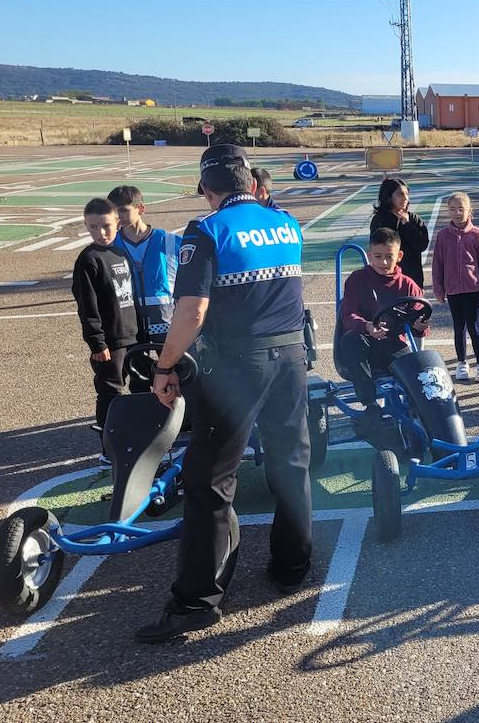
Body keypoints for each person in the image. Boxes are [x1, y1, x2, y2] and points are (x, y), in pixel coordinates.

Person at [138, 144, 311, 643]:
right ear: (251, 183)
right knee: (291, 461)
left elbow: (191, 312)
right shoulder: (286, 224)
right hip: (291, 357)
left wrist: (164, 365)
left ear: (207, 189)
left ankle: (196, 602)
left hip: (239, 363)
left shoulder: (207, 229)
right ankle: (292, 564)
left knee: (209, 479)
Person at [71, 197, 142, 460]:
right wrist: (96, 343)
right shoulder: (88, 260)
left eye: (106, 226)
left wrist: (140, 331)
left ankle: (136, 439)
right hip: (109, 343)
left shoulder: (121, 253)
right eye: (93, 227)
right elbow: (87, 306)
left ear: (118, 223)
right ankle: (108, 449)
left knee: (140, 388)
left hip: (131, 335)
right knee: (110, 392)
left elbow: (130, 298)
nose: (100, 233)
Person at [337, 226, 426, 432]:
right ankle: (370, 404)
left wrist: (420, 326)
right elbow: (348, 316)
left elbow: (418, 322)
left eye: (389, 256)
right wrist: (367, 326)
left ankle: (417, 411)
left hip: (392, 345)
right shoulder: (357, 280)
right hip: (364, 344)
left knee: (418, 364)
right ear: (369, 255)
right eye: (377, 256)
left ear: (399, 256)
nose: (384, 262)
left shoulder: (409, 285)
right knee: (350, 340)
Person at [107, 184, 181, 341]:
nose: (117, 216)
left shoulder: (169, 241)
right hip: (129, 318)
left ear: (140, 209)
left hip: (165, 317)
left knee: (171, 363)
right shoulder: (111, 245)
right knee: (133, 363)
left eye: (123, 210)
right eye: (113, 212)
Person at [431, 191, 479, 382]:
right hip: (453, 290)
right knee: (458, 328)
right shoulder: (443, 236)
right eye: (453, 209)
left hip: (472, 289)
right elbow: (437, 264)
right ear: (448, 211)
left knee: (474, 327)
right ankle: (462, 363)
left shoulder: (477, 234)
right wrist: (439, 290)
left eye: (461, 209)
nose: (457, 213)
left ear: (469, 211)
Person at [370, 177, 430, 287]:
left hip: (412, 278)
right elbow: (377, 246)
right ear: (388, 197)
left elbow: (422, 244)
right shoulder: (380, 220)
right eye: (400, 194)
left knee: (414, 303)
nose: (405, 198)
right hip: (386, 278)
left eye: (407, 194)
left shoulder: (414, 219)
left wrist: (407, 225)